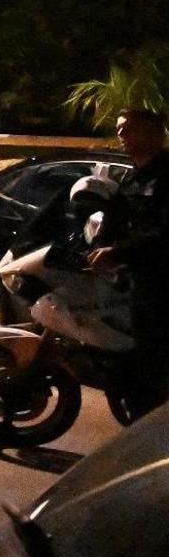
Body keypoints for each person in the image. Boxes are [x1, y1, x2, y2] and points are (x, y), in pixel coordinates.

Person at [87, 107, 167, 416]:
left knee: (154, 364)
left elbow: (163, 233)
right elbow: (113, 219)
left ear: (154, 133)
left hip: (160, 284)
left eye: (129, 129)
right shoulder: (133, 178)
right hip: (136, 282)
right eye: (120, 129)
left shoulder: (165, 177)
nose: (121, 135)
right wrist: (97, 245)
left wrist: (118, 254)